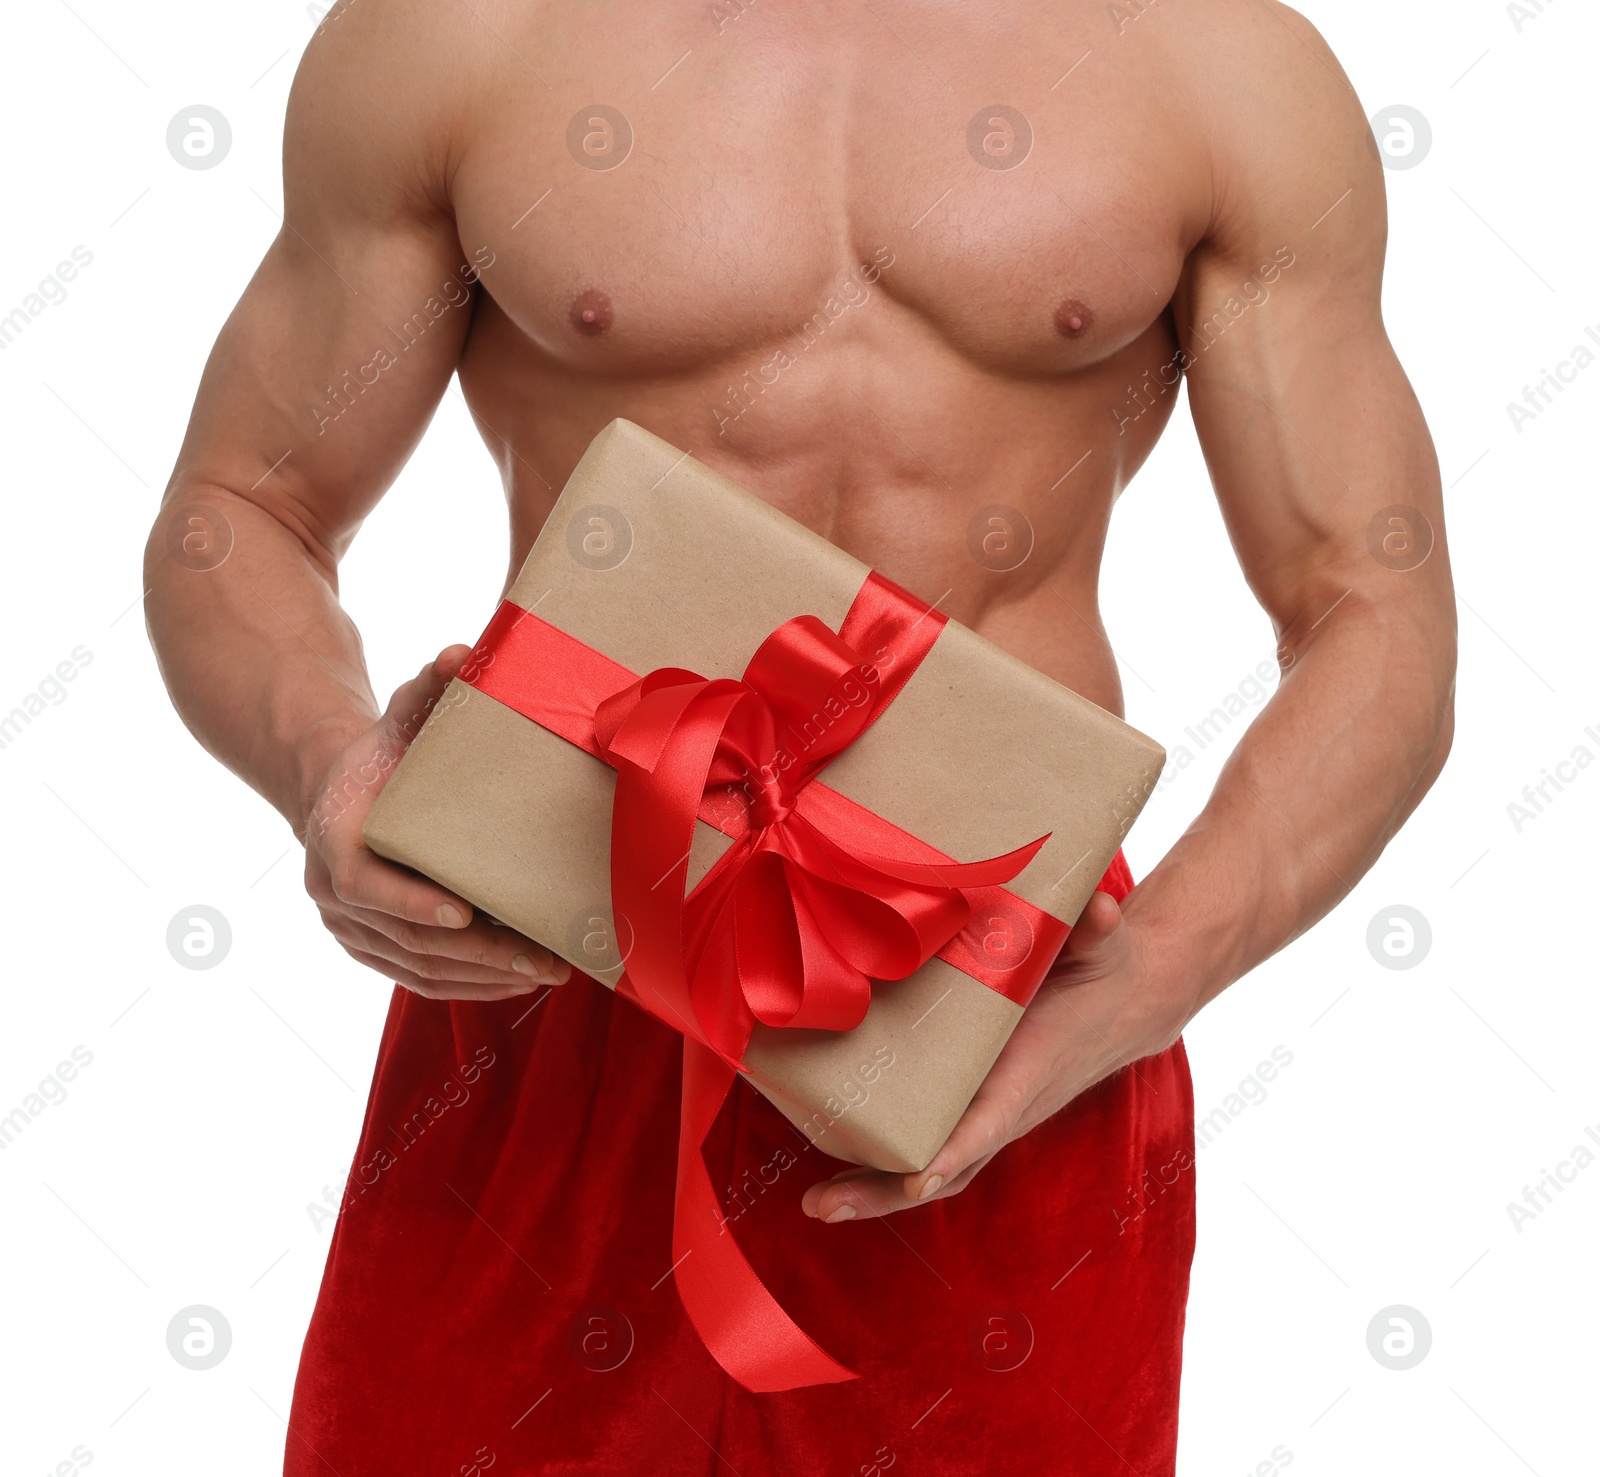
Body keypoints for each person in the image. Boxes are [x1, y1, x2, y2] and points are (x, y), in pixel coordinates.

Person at [144, 1, 1456, 1471]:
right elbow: (243, 506)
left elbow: (1373, 604)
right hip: (550, 964)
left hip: (1007, 1014)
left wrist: (1168, 962)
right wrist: (327, 761)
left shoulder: (1214, 58)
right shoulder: (460, 33)